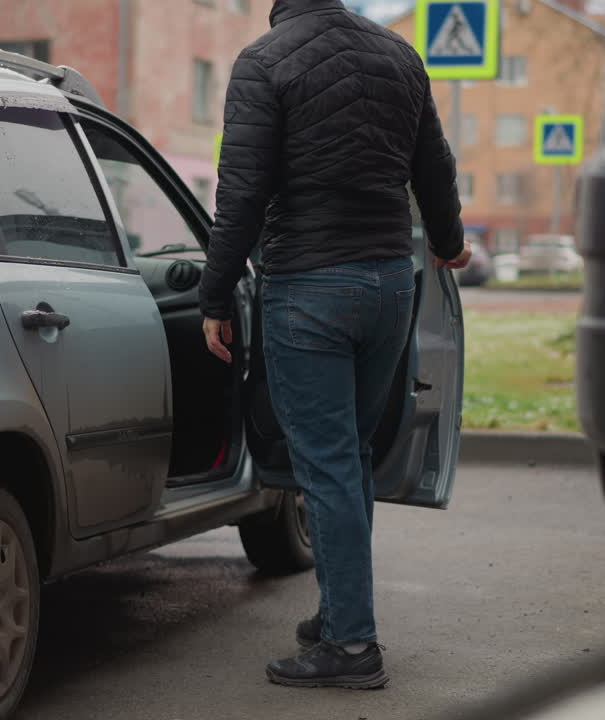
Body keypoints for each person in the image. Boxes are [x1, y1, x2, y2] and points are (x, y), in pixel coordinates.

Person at [197, 0, 471, 690]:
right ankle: (339, 610)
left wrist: (214, 295)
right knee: (347, 456)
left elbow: (243, 191)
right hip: (388, 285)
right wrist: (449, 242)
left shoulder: (264, 62)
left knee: (326, 464)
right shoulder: (399, 55)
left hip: (310, 291)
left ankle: (352, 646)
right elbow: (432, 165)